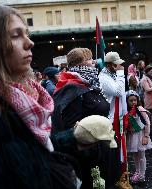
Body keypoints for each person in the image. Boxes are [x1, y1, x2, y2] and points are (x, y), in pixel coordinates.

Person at [0, 5, 87, 189]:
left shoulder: (18, 97)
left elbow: (26, 150)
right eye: (16, 35)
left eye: (27, 34)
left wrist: (72, 140)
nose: (30, 43)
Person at [51, 47, 115, 189]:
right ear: (79, 65)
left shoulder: (89, 84)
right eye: (89, 59)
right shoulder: (72, 89)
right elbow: (72, 128)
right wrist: (91, 152)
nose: (93, 62)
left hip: (101, 149)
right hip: (90, 157)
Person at [98, 51, 127, 184]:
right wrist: (121, 74)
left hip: (117, 116)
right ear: (110, 65)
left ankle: (119, 175)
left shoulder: (111, 74)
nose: (120, 67)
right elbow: (118, 91)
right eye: (117, 64)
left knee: (119, 147)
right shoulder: (104, 78)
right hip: (110, 118)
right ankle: (113, 178)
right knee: (114, 148)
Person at [126, 90, 152, 184]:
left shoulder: (141, 109)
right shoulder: (126, 111)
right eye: (131, 100)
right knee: (135, 155)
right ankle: (137, 172)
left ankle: (142, 175)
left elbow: (147, 123)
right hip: (132, 136)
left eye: (135, 100)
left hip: (141, 135)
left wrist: (146, 136)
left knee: (142, 155)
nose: (134, 102)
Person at [141, 65, 152, 131]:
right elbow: (148, 89)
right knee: (150, 116)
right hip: (149, 102)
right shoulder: (144, 79)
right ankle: (150, 130)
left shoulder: (150, 78)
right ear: (147, 71)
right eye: (151, 70)